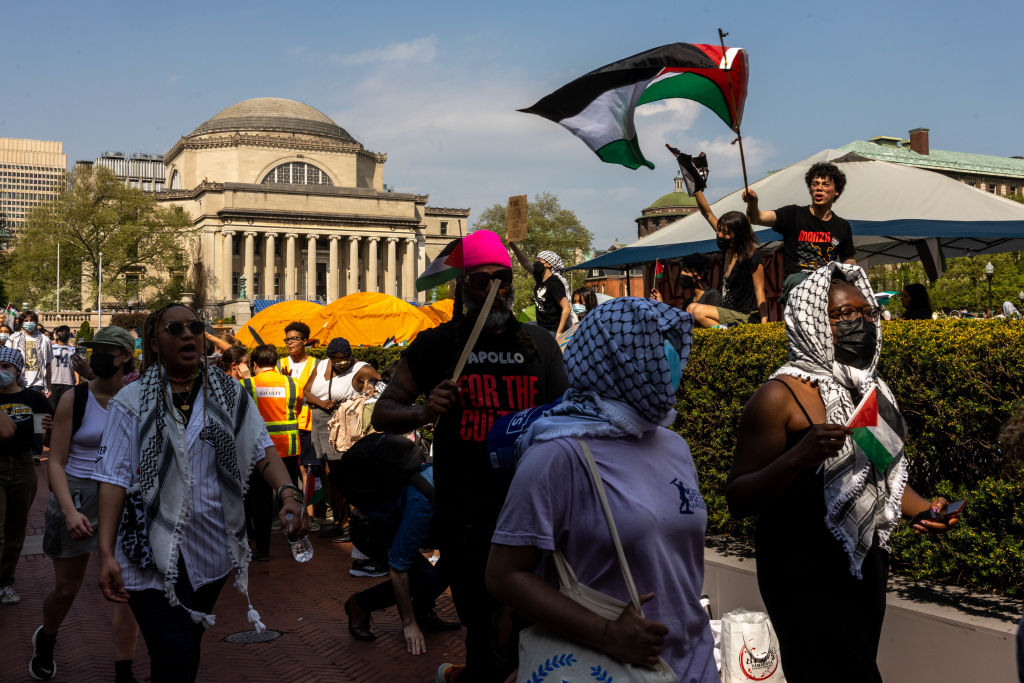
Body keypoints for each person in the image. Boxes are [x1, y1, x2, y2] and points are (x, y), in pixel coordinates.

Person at [727, 263, 960, 682]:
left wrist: (925, 509)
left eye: (865, 313)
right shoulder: (777, 397)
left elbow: (881, 470)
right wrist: (797, 458)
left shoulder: (866, 388)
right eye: (844, 315)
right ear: (813, 320)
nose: (861, 324)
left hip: (862, 563)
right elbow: (739, 498)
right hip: (801, 569)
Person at [373, 229, 568, 682]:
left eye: (502, 280)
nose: (495, 289)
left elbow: (568, 417)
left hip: (532, 510)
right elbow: (382, 414)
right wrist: (424, 409)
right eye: (482, 281)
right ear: (463, 287)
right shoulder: (437, 346)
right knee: (480, 623)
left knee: (527, 625)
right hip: (466, 515)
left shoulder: (539, 344)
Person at [487, 298, 717, 680]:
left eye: (670, 344)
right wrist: (609, 635)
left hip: (694, 664)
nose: (669, 357)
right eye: (654, 343)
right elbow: (504, 575)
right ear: (614, 357)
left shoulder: (673, 444)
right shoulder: (558, 454)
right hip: (612, 669)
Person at [92, 303, 309, 683]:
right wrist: (106, 553)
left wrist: (288, 493)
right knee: (172, 654)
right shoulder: (130, 403)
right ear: (155, 343)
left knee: (188, 647)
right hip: (148, 553)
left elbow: (262, 449)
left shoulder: (229, 394)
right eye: (174, 329)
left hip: (211, 548)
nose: (188, 334)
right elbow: (112, 478)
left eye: (194, 326)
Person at [30, 327, 139, 682]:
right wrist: (69, 510)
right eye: (94, 352)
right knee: (66, 589)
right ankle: (47, 637)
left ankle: (124, 669)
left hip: (123, 495)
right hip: (77, 494)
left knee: (126, 587)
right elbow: (56, 462)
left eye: (105, 351)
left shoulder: (138, 398)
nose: (97, 358)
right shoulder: (74, 399)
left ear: (124, 355)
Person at [343, 449, 459, 653]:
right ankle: (359, 604)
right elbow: (398, 567)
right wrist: (409, 625)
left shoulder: (453, 482)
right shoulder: (422, 501)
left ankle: (422, 610)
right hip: (370, 529)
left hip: (398, 519)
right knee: (423, 576)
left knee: (457, 558)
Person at [304, 337, 383, 564]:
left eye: (343, 361)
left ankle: (352, 523)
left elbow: (380, 387)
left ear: (350, 356)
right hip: (320, 421)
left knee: (344, 474)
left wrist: (360, 400)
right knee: (329, 474)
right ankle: (340, 521)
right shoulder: (321, 365)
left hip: (343, 425)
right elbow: (307, 392)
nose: (339, 365)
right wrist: (320, 403)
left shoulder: (360, 368)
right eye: (335, 361)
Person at [743, 161, 856, 305]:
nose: (819, 188)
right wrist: (753, 203)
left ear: (836, 191)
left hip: (827, 286)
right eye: (815, 184)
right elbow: (757, 218)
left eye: (825, 184)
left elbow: (849, 261)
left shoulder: (842, 226)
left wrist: (853, 281)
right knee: (798, 281)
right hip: (798, 284)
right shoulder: (793, 214)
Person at [0, 347, 53, 605]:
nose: (1, 372)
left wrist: (50, 430)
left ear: (17, 370)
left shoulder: (34, 399)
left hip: (23, 467)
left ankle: (5, 582)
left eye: (5, 367)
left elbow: (45, 439)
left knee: (16, 528)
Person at [240, 344, 302, 562]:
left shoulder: (246, 385)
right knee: (291, 494)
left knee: (261, 499)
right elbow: (298, 407)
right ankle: (296, 542)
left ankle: (263, 549)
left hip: (260, 453)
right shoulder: (292, 382)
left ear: (254, 364)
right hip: (290, 447)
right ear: (275, 362)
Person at [687, 187, 767, 326]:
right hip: (730, 314)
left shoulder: (751, 255)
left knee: (698, 311)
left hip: (746, 317)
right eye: (719, 231)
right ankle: (726, 331)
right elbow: (707, 212)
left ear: (738, 235)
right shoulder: (728, 249)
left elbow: (760, 290)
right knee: (690, 308)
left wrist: (765, 323)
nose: (720, 235)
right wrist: (695, 186)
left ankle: (728, 334)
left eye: (726, 233)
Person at [278, 322, 320, 525]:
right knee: (286, 469)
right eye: (287, 339)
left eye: (293, 339)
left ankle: (310, 513)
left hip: (307, 424)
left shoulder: (317, 364)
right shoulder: (280, 363)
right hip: (285, 424)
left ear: (305, 341)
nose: (289, 343)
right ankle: (286, 512)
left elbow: (316, 393)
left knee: (306, 469)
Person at [510, 243, 574, 335]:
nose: (536, 263)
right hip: (541, 327)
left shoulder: (555, 283)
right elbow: (525, 263)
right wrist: (513, 245)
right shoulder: (540, 278)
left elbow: (567, 308)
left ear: (548, 264)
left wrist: (559, 332)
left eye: (539, 260)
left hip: (552, 330)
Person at [649, 253, 723, 310]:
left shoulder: (712, 296)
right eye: (682, 270)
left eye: (686, 271)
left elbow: (717, 325)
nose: (682, 274)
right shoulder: (687, 303)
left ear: (700, 275)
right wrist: (661, 303)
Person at [6, 309, 54, 396]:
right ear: (21, 323)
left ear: (36, 322)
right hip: (18, 381)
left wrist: (49, 387)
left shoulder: (45, 340)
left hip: (38, 383)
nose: (29, 322)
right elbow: (7, 363)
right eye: (26, 320)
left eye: (31, 320)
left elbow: (48, 365)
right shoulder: (13, 339)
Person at [49, 325, 78, 410]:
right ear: (57, 335)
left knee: (66, 409)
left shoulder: (72, 350)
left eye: (66, 332)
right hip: (53, 382)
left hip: (67, 382)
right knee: (52, 409)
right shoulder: (51, 349)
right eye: (62, 332)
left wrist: (77, 380)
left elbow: (75, 366)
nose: (64, 334)